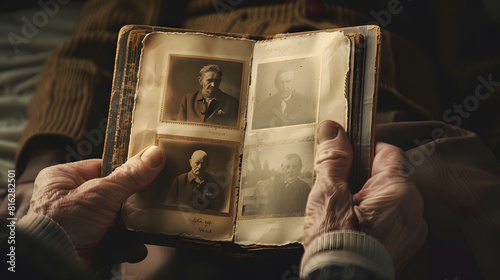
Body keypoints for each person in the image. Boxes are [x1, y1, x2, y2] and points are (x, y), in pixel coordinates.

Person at [2, 1, 499, 279]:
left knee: (449, 196)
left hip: (384, 122)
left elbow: (485, 72)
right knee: (145, 252)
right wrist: (32, 172)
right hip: (159, 151)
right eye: (206, 81)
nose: (210, 87)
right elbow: (84, 51)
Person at [4, 121, 426, 280]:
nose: (203, 169)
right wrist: (352, 261)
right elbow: (89, 42)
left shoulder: (13, 253)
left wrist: (46, 237)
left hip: (393, 130)